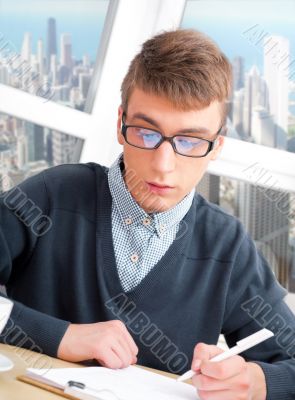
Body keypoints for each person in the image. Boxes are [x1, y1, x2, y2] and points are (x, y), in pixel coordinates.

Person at [0, 29, 295, 399]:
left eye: (190, 141)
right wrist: (59, 336)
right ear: (121, 124)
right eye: (146, 132)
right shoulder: (51, 197)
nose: (163, 164)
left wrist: (255, 382)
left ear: (216, 146)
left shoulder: (228, 247)